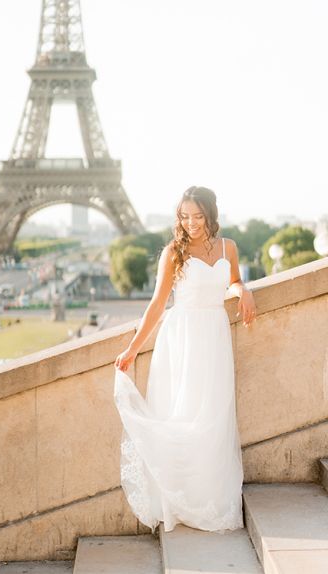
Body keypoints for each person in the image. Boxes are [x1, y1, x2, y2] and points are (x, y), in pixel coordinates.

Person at [112, 186, 256, 533]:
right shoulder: (173, 253)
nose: (191, 222)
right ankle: (181, 497)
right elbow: (158, 305)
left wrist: (244, 291)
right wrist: (133, 348)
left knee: (214, 416)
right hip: (183, 339)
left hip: (215, 337)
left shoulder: (228, 248)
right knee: (185, 414)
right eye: (184, 216)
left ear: (211, 214)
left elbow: (233, 280)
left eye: (198, 216)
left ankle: (208, 496)